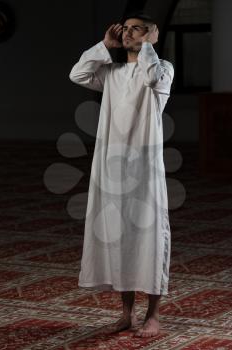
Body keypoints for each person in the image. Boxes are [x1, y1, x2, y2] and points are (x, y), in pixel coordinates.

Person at [69, 11, 174, 338]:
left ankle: (153, 314)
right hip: (112, 166)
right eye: (124, 29)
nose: (127, 34)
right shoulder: (111, 72)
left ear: (149, 34)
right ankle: (127, 312)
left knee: (149, 236)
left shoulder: (162, 68)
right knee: (119, 235)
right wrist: (105, 44)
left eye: (135, 29)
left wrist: (149, 44)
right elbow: (78, 74)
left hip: (144, 167)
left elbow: (152, 78)